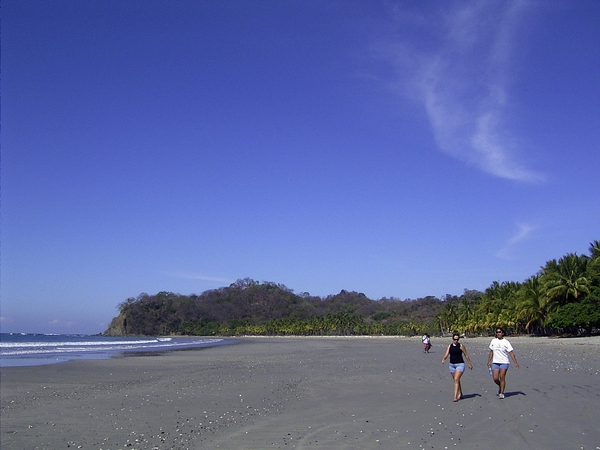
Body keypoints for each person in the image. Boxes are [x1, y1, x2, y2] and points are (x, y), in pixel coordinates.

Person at [487, 327, 519, 399]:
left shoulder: (506, 342)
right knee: (495, 378)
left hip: (504, 362)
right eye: (497, 332)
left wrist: (515, 363)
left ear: (503, 333)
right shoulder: (493, 341)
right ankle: (500, 386)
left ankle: (502, 392)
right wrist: (489, 361)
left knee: (502, 377)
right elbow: (491, 352)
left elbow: (511, 353)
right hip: (495, 362)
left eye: (500, 332)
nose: (498, 333)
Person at [441, 333, 473, 401]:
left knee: (456, 379)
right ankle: (461, 393)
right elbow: (447, 353)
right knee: (456, 380)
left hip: (460, 364)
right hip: (452, 365)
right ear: (452, 339)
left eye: (457, 339)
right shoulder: (450, 346)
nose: (456, 341)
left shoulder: (461, 346)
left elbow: (466, 355)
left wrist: (469, 364)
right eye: (455, 339)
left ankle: (455, 396)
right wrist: (444, 359)